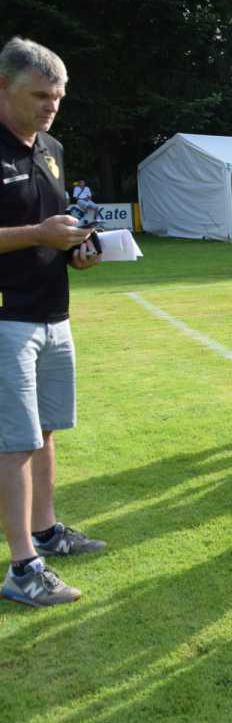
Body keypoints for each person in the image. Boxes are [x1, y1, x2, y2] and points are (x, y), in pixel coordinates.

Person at [0, 37, 106, 608]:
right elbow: (33, 230)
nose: (50, 107)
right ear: (2, 86)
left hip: (52, 312)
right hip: (6, 317)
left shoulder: (50, 147)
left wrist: (76, 251)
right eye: (39, 95)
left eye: (58, 97)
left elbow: (53, 225)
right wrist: (39, 236)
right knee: (12, 442)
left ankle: (46, 531)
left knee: (44, 432)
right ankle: (22, 568)